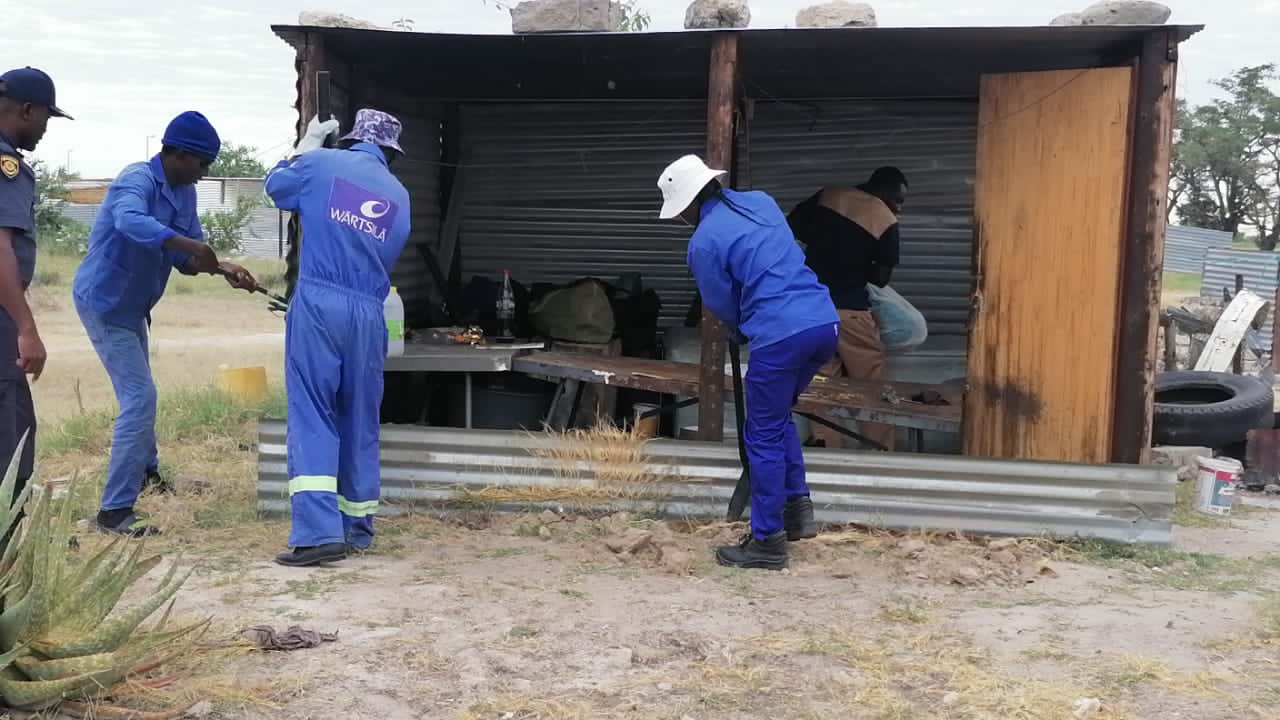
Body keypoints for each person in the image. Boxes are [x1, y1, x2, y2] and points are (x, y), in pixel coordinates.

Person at [73, 110, 258, 537]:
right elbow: (130, 221)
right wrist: (193, 245)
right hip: (105, 304)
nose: (204, 173)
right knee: (140, 398)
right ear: (179, 154)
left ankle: (146, 472)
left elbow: (186, 260)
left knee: (142, 393)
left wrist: (223, 268)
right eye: (202, 163)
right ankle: (114, 512)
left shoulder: (184, 193)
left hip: (133, 305)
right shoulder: (136, 179)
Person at [657, 154, 839, 571]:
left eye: (680, 211)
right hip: (823, 323)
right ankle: (797, 511)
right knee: (776, 418)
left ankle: (767, 542)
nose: (681, 218)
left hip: (781, 334)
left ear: (688, 204)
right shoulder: (761, 201)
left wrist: (741, 330)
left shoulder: (703, 242)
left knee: (761, 435)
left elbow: (721, 303)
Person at [265, 108, 411, 567]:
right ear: (390, 152)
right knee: (359, 418)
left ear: (350, 139)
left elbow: (276, 189)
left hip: (320, 302)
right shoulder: (400, 195)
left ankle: (316, 534)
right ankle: (356, 527)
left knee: (313, 411)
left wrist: (306, 146)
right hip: (369, 313)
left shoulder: (321, 164)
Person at [787, 166, 909, 451]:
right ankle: (879, 450)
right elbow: (881, 278)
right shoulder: (885, 219)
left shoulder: (830, 195)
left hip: (813, 310)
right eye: (898, 199)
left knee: (822, 381)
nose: (899, 207)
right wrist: (857, 261)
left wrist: (825, 248)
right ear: (883, 190)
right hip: (851, 312)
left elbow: (793, 225)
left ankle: (826, 446)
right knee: (871, 385)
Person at [0, 67, 70, 515]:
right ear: (27, 110)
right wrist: (26, 328)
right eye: (46, 116)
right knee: (9, 445)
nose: (46, 127)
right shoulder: (6, 166)